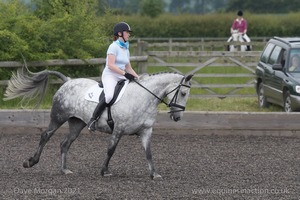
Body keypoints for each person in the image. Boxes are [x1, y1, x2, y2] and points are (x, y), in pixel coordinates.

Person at [87, 22, 139, 131]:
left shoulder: (126, 48)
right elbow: (110, 65)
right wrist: (125, 74)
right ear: (120, 33)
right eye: (127, 32)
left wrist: (138, 78)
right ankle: (93, 119)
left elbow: (128, 67)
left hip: (121, 76)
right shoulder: (113, 46)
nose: (129, 35)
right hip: (110, 75)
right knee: (109, 96)